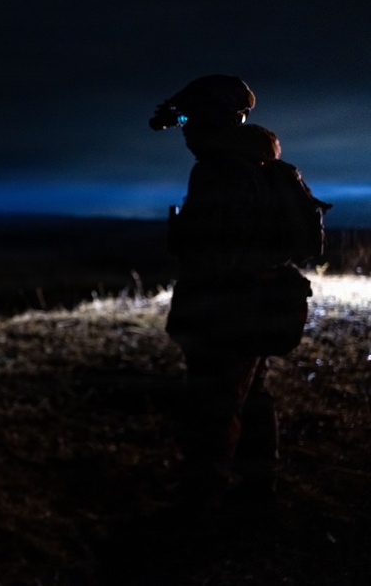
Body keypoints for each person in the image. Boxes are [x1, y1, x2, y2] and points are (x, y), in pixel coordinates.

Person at [150, 75, 329, 512]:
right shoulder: (261, 165)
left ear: (213, 118)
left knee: (214, 404)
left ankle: (200, 502)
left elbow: (214, 252)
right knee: (251, 396)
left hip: (225, 309)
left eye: (191, 118)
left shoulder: (218, 171)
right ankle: (256, 488)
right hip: (260, 305)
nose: (186, 130)